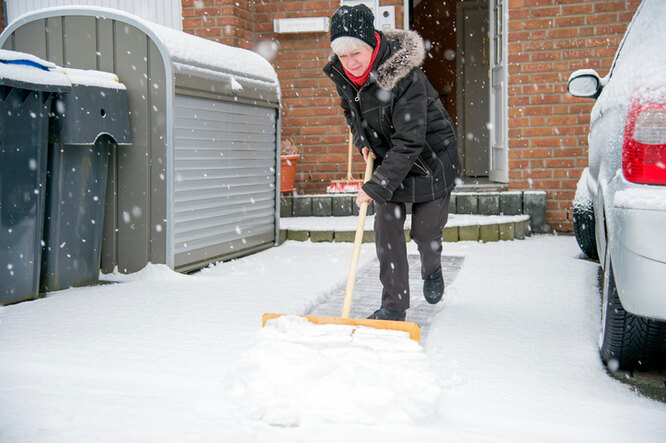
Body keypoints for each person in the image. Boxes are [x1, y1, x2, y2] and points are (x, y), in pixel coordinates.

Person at [323, 4, 461, 321]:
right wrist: (362, 143)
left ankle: (432, 265)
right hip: (390, 160)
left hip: (432, 161)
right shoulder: (345, 74)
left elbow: (411, 140)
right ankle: (394, 307)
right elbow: (352, 112)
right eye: (343, 57)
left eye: (356, 53)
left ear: (372, 42)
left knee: (425, 233)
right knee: (386, 231)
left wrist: (376, 185)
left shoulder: (405, 77)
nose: (350, 63)